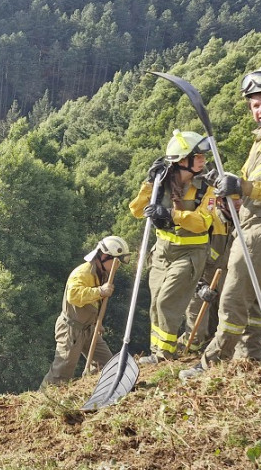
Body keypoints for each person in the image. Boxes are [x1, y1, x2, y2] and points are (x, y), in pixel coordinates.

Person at [180, 65, 261, 381]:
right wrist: (231, 198)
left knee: (232, 295)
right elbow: (245, 187)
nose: (260, 110)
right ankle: (249, 355)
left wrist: (244, 187)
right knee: (248, 295)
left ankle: (211, 363)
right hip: (250, 223)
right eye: (254, 104)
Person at [129, 130, 216, 364]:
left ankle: (166, 355)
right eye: (197, 156)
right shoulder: (162, 183)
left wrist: (171, 213)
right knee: (156, 301)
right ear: (181, 160)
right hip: (162, 251)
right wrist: (150, 184)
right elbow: (136, 209)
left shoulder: (205, 188)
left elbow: (202, 223)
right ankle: (157, 352)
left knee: (167, 301)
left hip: (190, 253)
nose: (203, 160)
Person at [39, 236, 132, 388]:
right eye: (115, 261)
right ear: (103, 257)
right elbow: (74, 295)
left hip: (89, 328)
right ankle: (41, 401)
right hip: (71, 329)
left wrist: (96, 322)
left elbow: (94, 303)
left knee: (107, 364)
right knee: (61, 374)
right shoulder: (82, 273)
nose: (118, 266)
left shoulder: (103, 273)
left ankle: (94, 390)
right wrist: (99, 291)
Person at [178, 197, 240, 353]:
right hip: (202, 276)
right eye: (234, 200)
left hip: (228, 277)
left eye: (241, 199)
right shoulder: (209, 221)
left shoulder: (244, 222)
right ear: (221, 202)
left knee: (224, 323)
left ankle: (216, 351)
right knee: (197, 329)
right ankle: (186, 351)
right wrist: (199, 285)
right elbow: (189, 253)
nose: (238, 204)